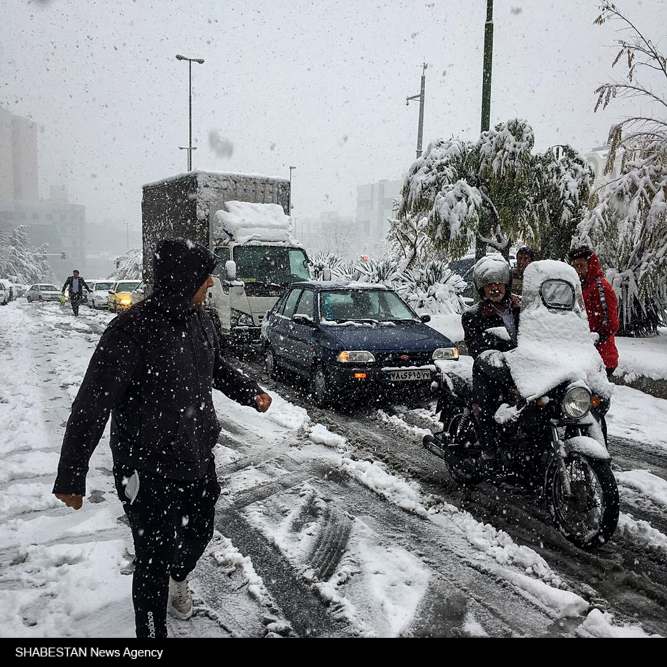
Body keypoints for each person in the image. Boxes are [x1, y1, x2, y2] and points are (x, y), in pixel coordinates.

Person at [52, 237, 272, 638]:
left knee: (199, 532)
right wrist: (71, 474)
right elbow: (91, 405)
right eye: (205, 278)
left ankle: (179, 574)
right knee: (151, 561)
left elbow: (215, 367)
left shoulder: (202, 320)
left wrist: (248, 390)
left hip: (197, 456)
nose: (211, 285)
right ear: (184, 279)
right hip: (145, 466)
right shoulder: (130, 331)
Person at [462, 256, 521, 474]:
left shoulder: (521, 307)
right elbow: (477, 349)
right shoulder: (473, 315)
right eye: (489, 284)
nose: (494, 288)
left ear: (507, 283)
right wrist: (497, 354)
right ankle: (489, 455)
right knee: (488, 407)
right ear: (481, 287)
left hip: (522, 367)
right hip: (489, 370)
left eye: (498, 282)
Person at [568, 246, 620, 378]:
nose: (577, 271)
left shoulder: (600, 287)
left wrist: (593, 339)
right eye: (574, 266)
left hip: (602, 358)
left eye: (580, 265)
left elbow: (612, 323)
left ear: (590, 264)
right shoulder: (583, 286)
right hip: (588, 356)